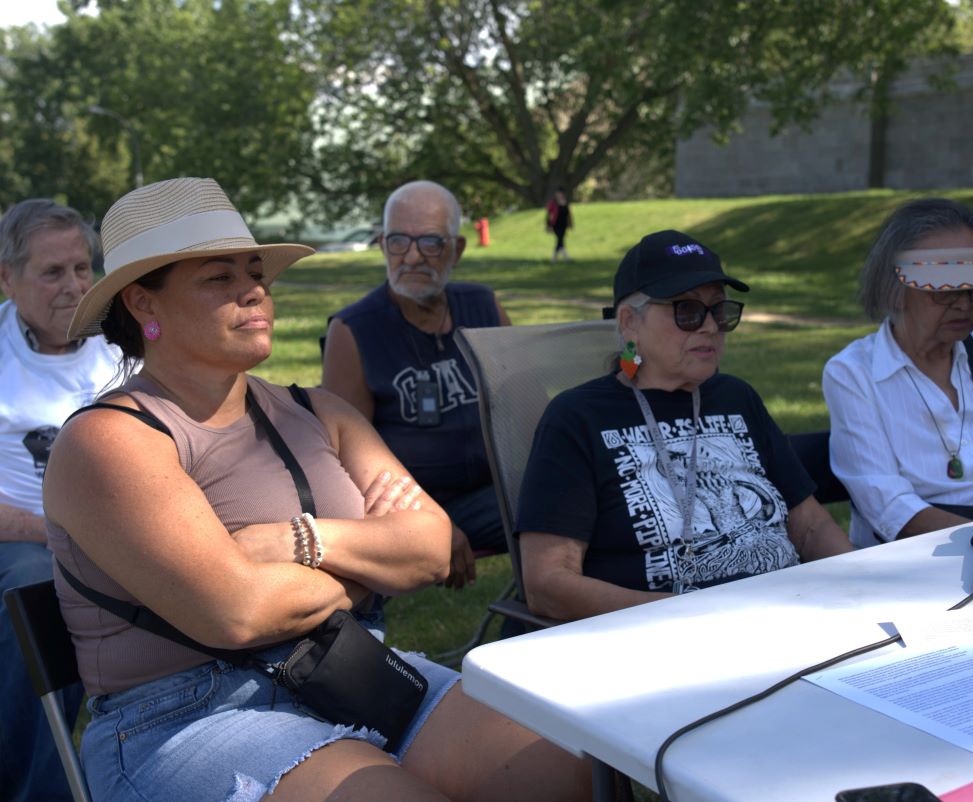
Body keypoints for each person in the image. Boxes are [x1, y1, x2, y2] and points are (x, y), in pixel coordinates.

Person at [42, 177, 589, 802]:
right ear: (144, 304)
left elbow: (432, 547)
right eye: (220, 278)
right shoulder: (110, 442)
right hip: (190, 715)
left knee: (558, 763)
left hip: (349, 670)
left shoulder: (319, 411)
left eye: (256, 272)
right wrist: (367, 571)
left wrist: (291, 542)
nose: (255, 291)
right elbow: (236, 613)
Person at [515, 229, 852, 622]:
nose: (710, 326)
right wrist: (684, 615)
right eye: (687, 311)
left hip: (789, 615)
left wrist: (864, 585)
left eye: (720, 311)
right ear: (629, 323)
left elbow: (810, 526)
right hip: (663, 640)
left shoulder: (737, 398)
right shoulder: (577, 418)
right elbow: (547, 583)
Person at [823, 199, 973, 548]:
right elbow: (891, 509)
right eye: (945, 290)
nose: (964, 304)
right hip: (917, 558)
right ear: (893, 290)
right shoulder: (852, 373)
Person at [323, 180, 511, 590]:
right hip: (405, 509)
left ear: (457, 250)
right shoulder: (354, 330)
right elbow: (341, 459)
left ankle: (545, 621)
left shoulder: (483, 306)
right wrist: (431, 522)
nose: (411, 256)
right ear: (381, 244)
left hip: (496, 495)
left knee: (576, 505)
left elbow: (520, 408)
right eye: (397, 242)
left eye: (430, 242)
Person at [0, 199, 124, 802]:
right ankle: (41, 791)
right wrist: (54, 532)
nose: (75, 286)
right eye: (53, 272)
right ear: (6, 278)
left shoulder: (127, 339)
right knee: (33, 590)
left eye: (83, 267)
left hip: (129, 528)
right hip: (23, 540)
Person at [545, 187, 572, 263]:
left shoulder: (566, 202)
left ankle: (558, 257)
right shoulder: (553, 203)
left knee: (561, 240)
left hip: (564, 224)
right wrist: (548, 225)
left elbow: (568, 214)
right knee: (560, 239)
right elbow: (548, 214)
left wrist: (570, 223)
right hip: (556, 224)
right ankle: (562, 257)